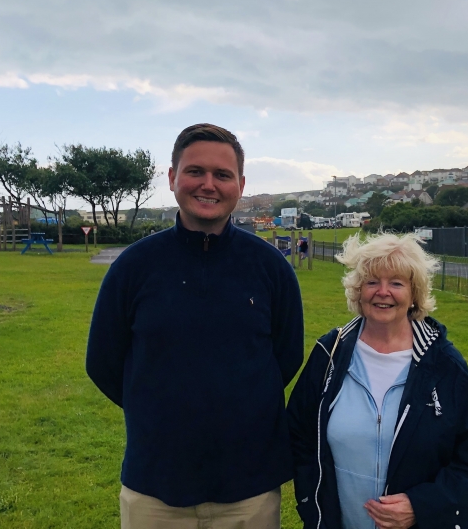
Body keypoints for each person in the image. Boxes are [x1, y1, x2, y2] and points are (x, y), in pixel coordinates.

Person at [86, 124, 304, 529]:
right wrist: (158, 410)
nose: (208, 185)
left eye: (222, 175)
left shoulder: (271, 268)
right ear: (172, 178)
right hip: (154, 486)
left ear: (240, 184)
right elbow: (102, 362)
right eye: (195, 172)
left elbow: (286, 358)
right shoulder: (134, 267)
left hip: (249, 489)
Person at [287, 232, 468, 529]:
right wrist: (312, 505)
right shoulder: (329, 354)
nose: (382, 292)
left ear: (414, 294)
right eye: (372, 282)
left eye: (396, 283)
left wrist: (421, 505)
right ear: (358, 290)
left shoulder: (443, 364)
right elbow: (300, 437)